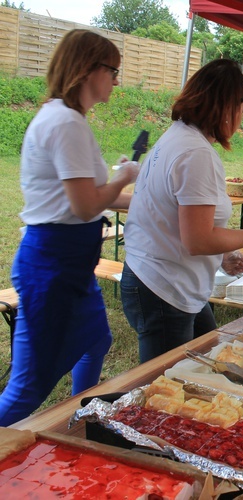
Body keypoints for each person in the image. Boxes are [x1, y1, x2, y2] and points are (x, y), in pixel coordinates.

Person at [0, 30, 139, 426]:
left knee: (96, 340)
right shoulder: (65, 123)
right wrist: (126, 175)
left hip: (69, 266)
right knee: (28, 387)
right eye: (113, 70)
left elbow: (93, 197)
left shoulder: (68, 119)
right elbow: (85, 205)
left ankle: (79, 420)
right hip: (52, 267)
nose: (117, 79)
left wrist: (148, 200)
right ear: (87, 70)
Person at [120, 59, 243, 364]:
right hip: (164, 287)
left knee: (210, 355)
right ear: (225, 108)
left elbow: (175, 217)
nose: (241, 120)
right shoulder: (195, 153)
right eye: (242, 110)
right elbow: (197, 240)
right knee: (163, 387)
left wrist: (221, 253)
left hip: (163, 279)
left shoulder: (177, 137)